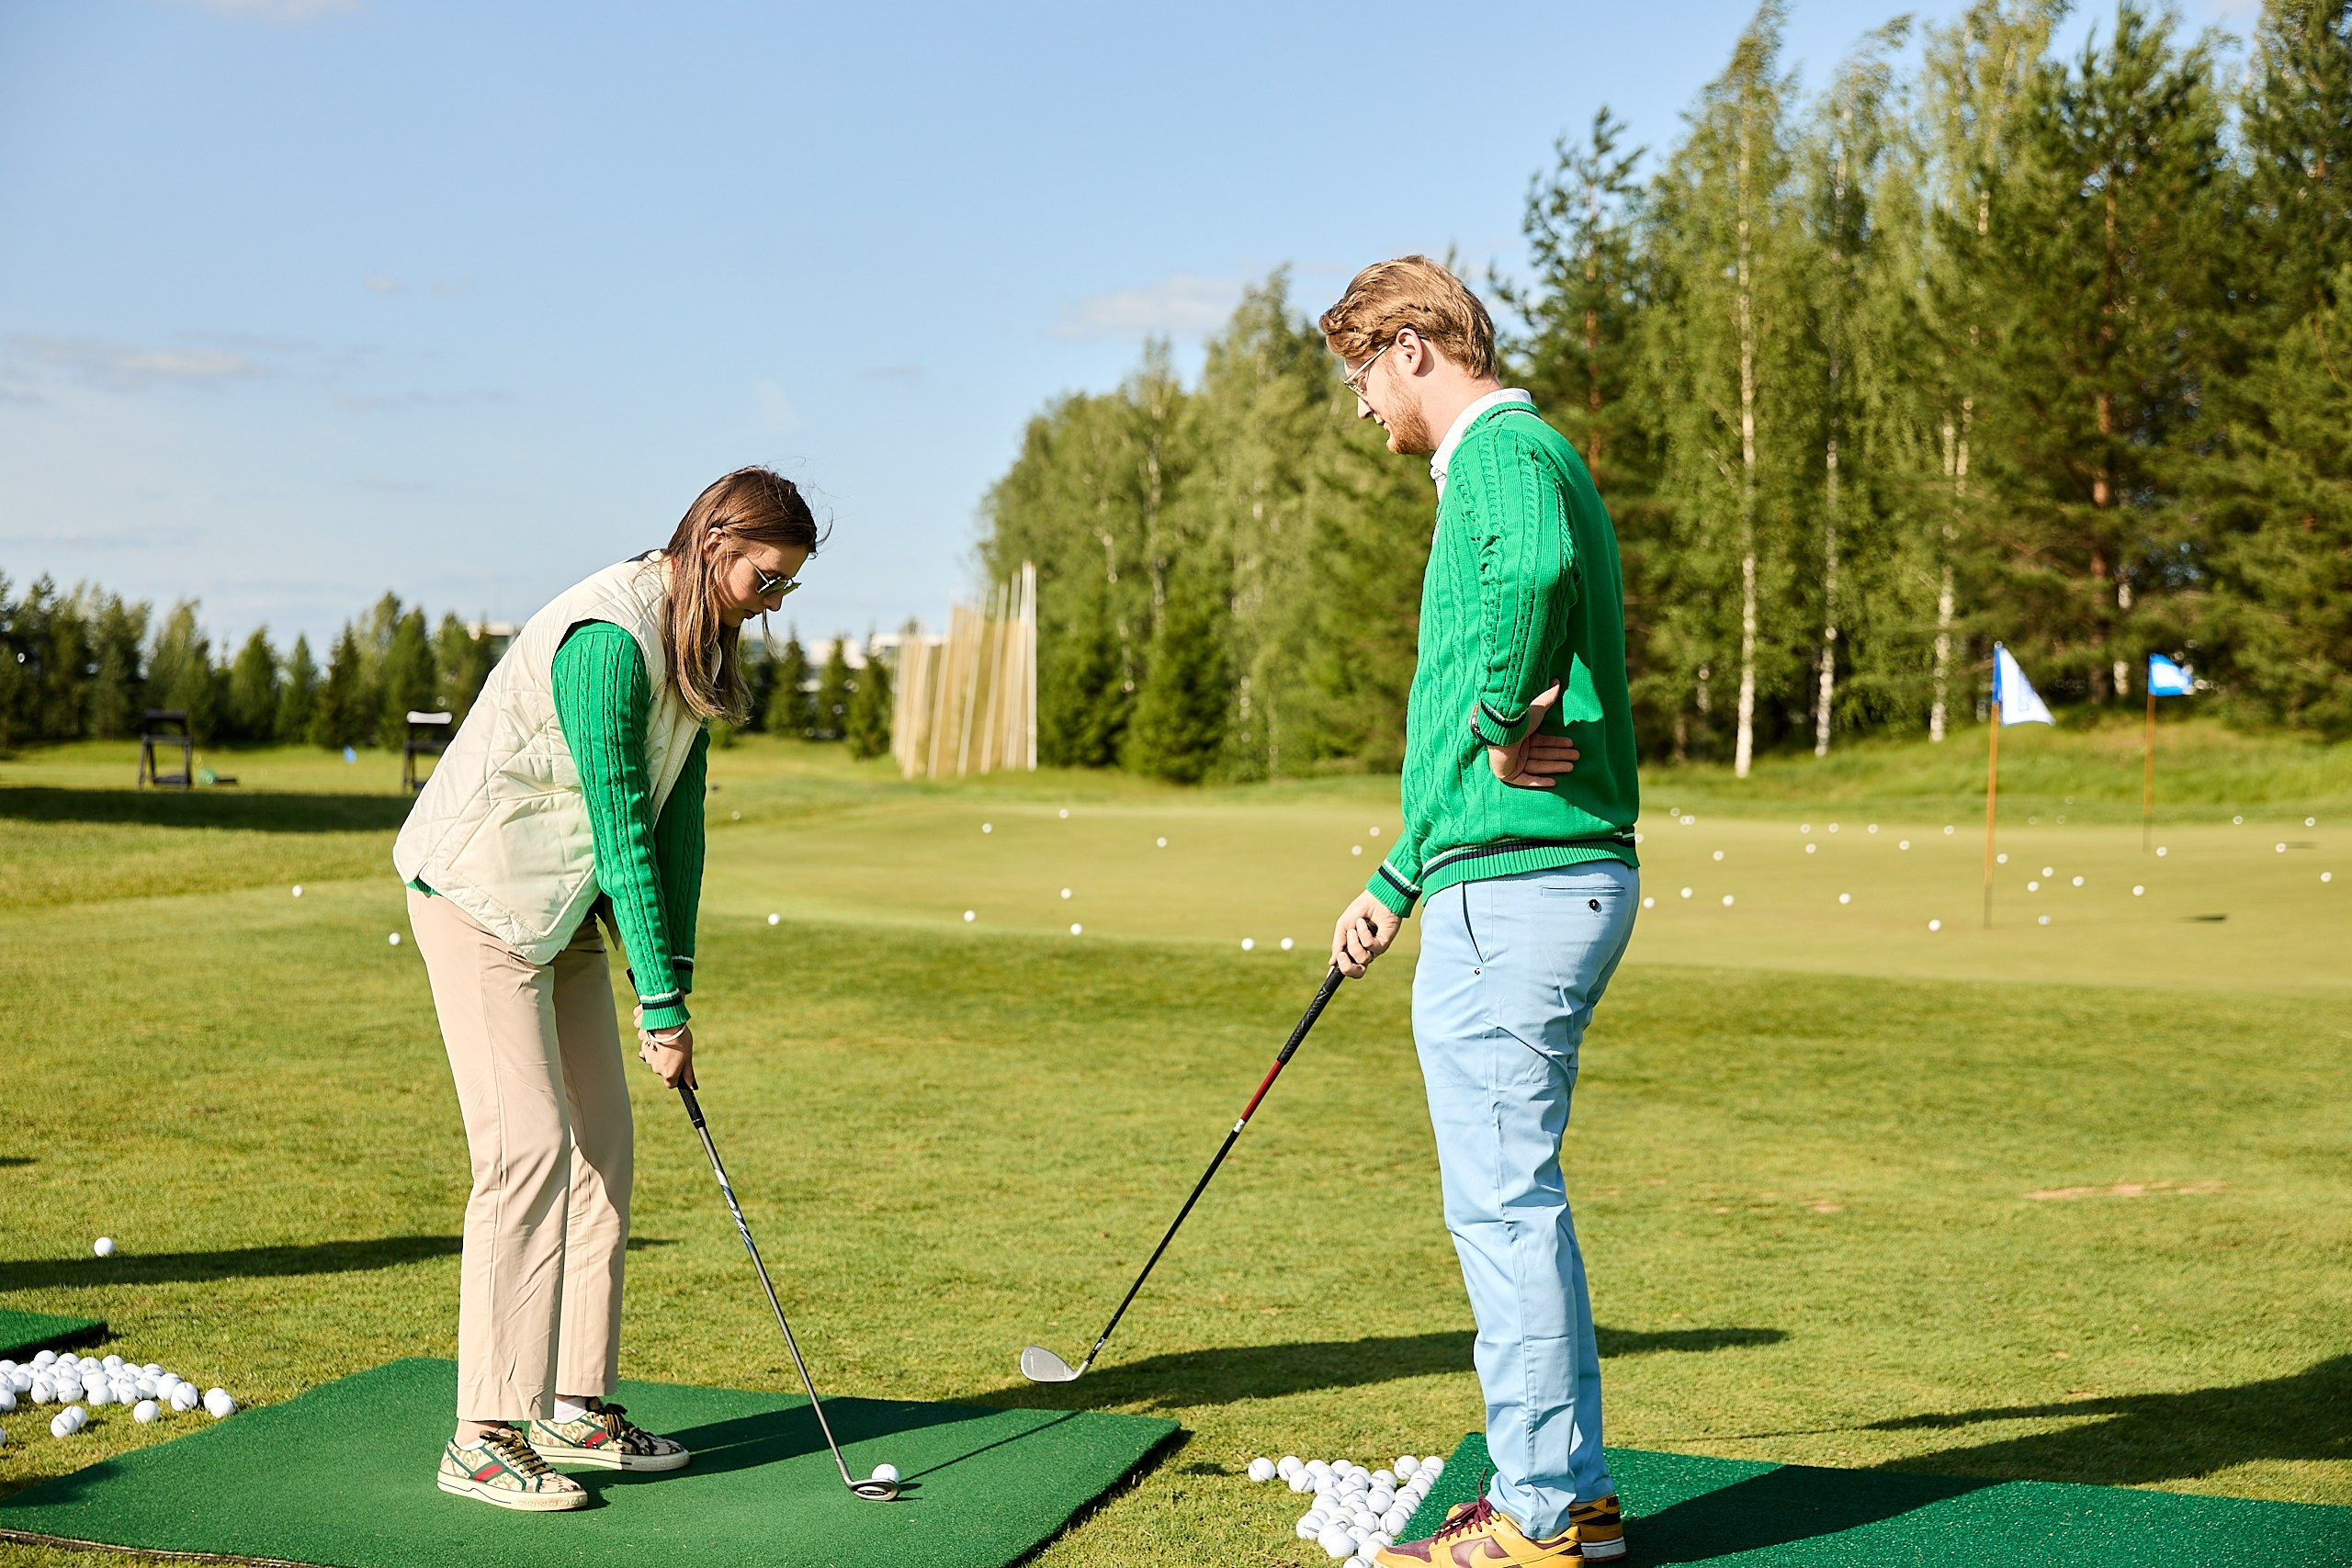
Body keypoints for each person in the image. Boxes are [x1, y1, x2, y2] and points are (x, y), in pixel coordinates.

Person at [392, 467, 818, 1510]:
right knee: (528, 1150)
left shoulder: (697, 643)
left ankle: (572, 1405)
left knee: (603, 1145)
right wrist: (656, 1009)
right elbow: (620, 820)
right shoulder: (607, 639)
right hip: (481, 895)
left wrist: (672, 981)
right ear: (715, 544)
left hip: (564, 905)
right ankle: (482, 1433)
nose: (771, 605)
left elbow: (678, 828)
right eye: (765, 579)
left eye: (788, 588)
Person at [1321, 258, 1640, 1567]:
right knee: (1511, 1201)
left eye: (1361, 373)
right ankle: (1576, 1498)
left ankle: (1539, 1514)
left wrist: (1506, 716)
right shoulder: (1513, 460)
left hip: (1520, 887)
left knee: (1503, 1209)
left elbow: (1535, 581)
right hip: (1493, 876)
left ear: (1411, 347)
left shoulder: (1499, 452)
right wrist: (1397, 879)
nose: (1361, 405)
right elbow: (1470, 712)